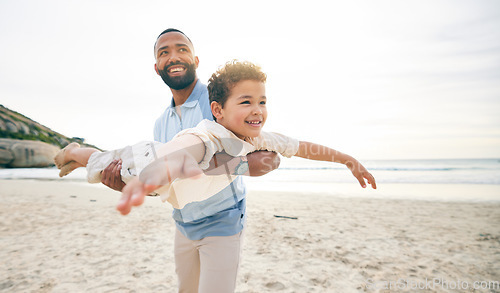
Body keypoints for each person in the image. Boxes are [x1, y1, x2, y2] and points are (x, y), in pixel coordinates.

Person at [117, 60, 376, 292]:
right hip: (183, 222)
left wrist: (347, 160)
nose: (257, 110)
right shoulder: (208, 134)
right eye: (246, 102)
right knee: (186, 287)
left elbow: (303, 147)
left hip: (223, 223)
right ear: (217, 110)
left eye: (262, 102)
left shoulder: (261, 138)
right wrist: (151, 175)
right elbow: (181, 152)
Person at [99, 29, 280, 293]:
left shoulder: (220, 102)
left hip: (223, 221)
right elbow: (167, 184)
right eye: (164, 52)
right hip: (183, 224)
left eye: (182, 49)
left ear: (196, 60)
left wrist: (220, 166)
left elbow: (269, 159)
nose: (173, 57)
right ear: (156, 67)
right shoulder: (161, 123)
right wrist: (128, 184)